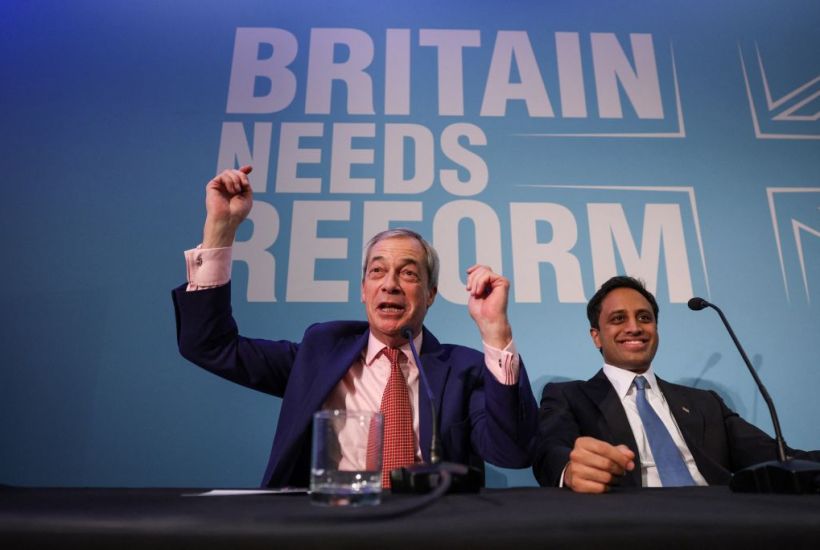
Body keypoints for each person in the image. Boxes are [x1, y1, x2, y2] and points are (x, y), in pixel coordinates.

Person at [172, 165, 538, 488]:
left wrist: (496, 330)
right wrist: (220, 229)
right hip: (330, 522)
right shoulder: (320, 351)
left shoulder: (463, 370)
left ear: (430, 294)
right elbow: (209, 345)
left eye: (408, 274)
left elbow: (512, 452)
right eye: (377, 271)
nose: (390, 284)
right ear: (363, 290)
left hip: (429, 525)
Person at [532, 275, 820, 493]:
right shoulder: (569, 395)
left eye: (644, 318)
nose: (634, 327)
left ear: (656, 329)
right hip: (629, 523)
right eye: (618, 319)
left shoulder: (705, 403)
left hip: (721, 520)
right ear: (596, 336)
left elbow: (777, 457)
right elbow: (549, 452)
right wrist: (570, 470)